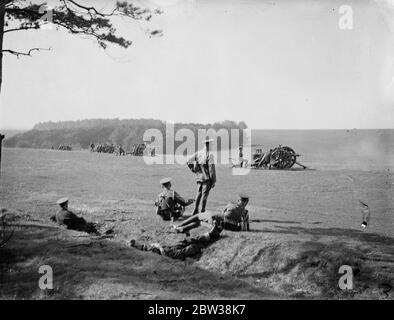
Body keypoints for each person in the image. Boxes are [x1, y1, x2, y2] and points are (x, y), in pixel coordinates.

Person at [129, 222, 223, 260]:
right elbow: (155, 254)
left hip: (166, 249)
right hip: (165, 253)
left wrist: (157, 246)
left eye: (136, 243)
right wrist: (158, 246)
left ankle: (211, 234)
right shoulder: (142, 254)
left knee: (187, 241)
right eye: (135, 245)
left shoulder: (143, 247)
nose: (137, 244)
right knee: (191, 247)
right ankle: (212, 235)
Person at [174, 193, 250, 233]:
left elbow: (223, 212)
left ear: (238, 200)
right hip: (224, 225)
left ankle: (181, 225)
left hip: (215, 219)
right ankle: (182, 228)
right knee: (199, 222)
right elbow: (245, 225)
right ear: (246, 202)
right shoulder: (245, 212)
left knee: (197, 216)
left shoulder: (231, 205)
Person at [186, 138, 216, 215]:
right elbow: (211, 169)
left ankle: (195, 210)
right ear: (208, 145)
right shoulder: (210, 154)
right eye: (212, 144)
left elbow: (188, 161)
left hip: (199, 177)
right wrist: (213, 181)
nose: (212, 146)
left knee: (198, 194)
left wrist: (193, 170)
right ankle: (202, 211)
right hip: (207, 178)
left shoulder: (198, 153)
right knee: (204, 195)